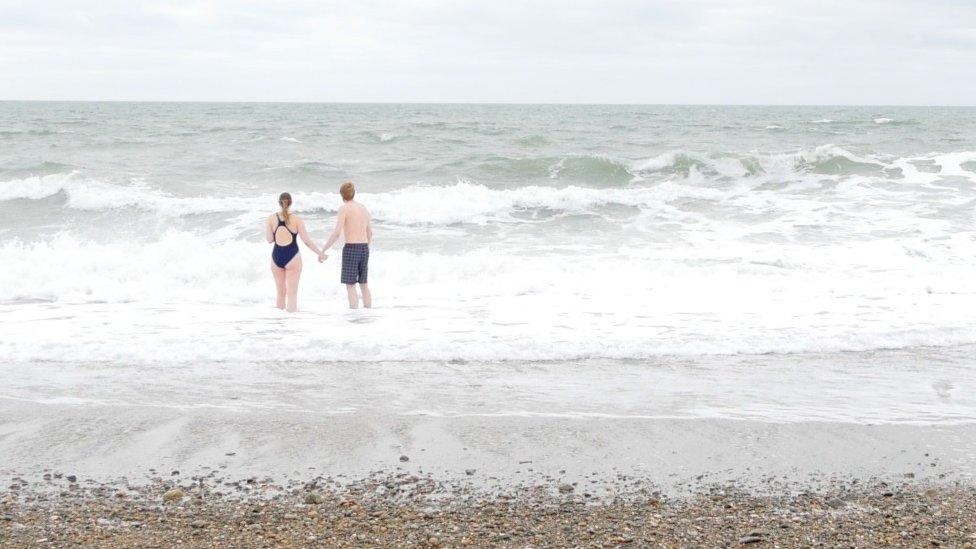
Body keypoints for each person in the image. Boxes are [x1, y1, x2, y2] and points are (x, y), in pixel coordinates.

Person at [265, 192, 327, 312]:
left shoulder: (271, 219)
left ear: (279, 202)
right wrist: (320, 253)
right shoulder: (297, 219)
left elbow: (269, 240)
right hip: (293, 257)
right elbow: (307, 241)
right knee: (292, 294)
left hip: (276, 257)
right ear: (291, 203)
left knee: (280, 293)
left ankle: (278, 323)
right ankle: (292, 326)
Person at [321, 181, 373, 308]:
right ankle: (369, 313)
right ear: (354, 194)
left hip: (351, 248)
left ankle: (354, 315)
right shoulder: (363, 208)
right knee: (364, 284)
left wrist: (324, 249)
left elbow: (337, 233)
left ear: (342, 195)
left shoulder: (344, 209)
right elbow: (370, 232)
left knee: (350, 285)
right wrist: (366, 246)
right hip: (364, 248)